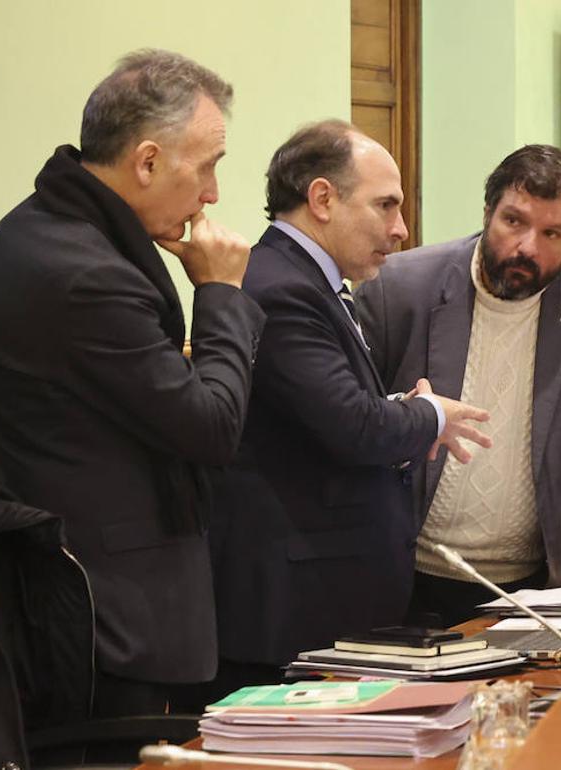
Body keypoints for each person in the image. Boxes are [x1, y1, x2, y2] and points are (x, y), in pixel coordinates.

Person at [0, 49, 265, 718]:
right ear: (149, 161)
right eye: (209, 165)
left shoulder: (57, 232)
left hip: (111, 603)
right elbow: (210, 427)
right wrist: (219, 295)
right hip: (109, 620)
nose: (213, 193)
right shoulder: (83, 272)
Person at [206, 120, 493, 688]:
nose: (401, 228)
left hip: (323, 600)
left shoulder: (309, 281)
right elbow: (353, 427)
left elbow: (316, 413)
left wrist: (397, 408)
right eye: (385, 206)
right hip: (292, 612)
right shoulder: (280, 287)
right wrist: (431, 414)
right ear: (321, 199)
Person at [358, 144, 561, 627]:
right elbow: (356, 419)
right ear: (488, 212)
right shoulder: (401, 287)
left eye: (552, 233)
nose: (528, 246)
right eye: (514, 222)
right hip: (405, 577)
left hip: (533, 587)